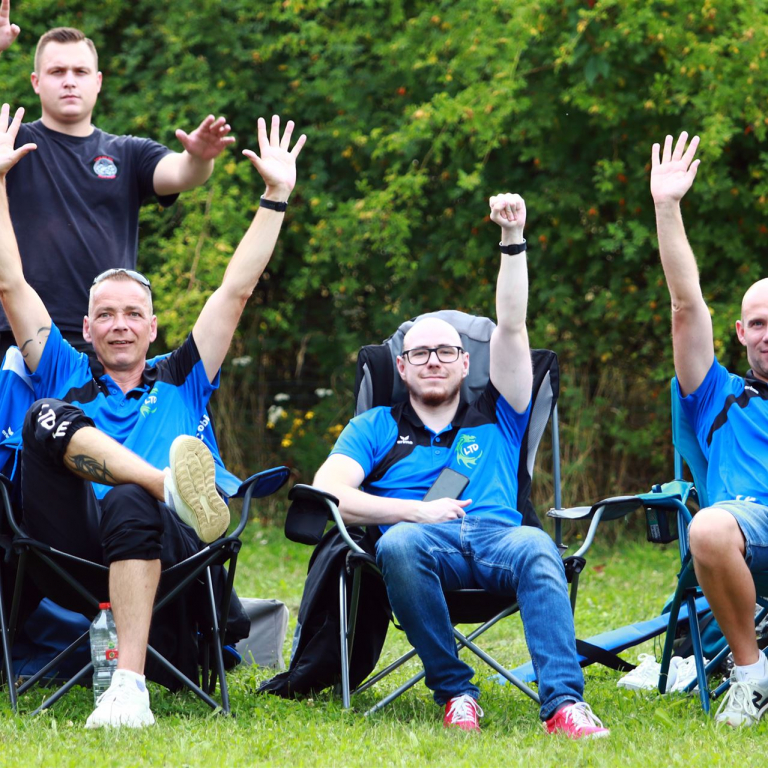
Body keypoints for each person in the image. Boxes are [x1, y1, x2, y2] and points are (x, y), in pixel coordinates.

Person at [0, 102, 305, 728]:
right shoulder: (62, 368)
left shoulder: (183, 375)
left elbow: (236, 290)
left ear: (153, 326)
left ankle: (128, 688)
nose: (120, 325)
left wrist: (275, 196)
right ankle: (168, 485)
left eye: (133, 314)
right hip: (70, 548)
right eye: (105, 315)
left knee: (131, 502)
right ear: (86, 328)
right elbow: (10, 284)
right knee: (45, 417)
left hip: (170, 548)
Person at [312, 193, 609, 738]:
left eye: (446, 352)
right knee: (398, 544)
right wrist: (413, 514)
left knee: (538, 545)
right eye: (419, 354)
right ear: (402, 367)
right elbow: (328, 492)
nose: (433, 361)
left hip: (500, 539)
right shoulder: (375, 426)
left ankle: (564, 705)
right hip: (421, 547)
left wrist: (512, 240)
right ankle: (455, 692)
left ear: (467, 363)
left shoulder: (503, 411)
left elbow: (512, 326)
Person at [0, 0, 236, 356]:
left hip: (107, 340)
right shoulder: (10, 141)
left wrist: (200, 158)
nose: (69, 81)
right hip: (21, 334)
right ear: (35, 82)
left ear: (98, 82)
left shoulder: (128, 152)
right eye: (57, 71)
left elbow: (181, 173)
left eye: (80, 72)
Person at [651, 132, 768, 727]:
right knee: (709, 526)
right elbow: (686, 305)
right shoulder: (717, 393)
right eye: (759, 323)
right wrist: (667, 207)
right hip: (750, 528)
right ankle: (751, 675)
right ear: (741, 333)